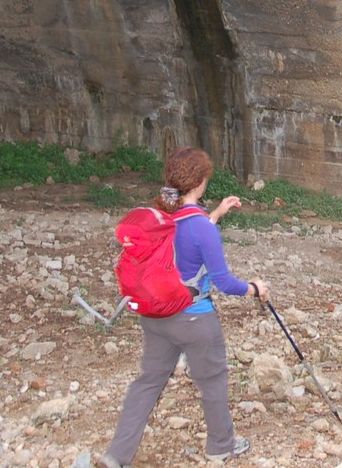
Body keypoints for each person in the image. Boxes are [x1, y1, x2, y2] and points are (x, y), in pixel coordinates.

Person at [100, 147, 267, 467]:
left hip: (156, 317)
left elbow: (182, 242)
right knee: (213, 379)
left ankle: (116, 455)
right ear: (200, 182)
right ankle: (221, 446)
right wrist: (255, 288)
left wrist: (216, 213)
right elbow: (223, 282)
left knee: (148, 382)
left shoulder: (163, 214)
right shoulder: (200, 226)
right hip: (194, 319)